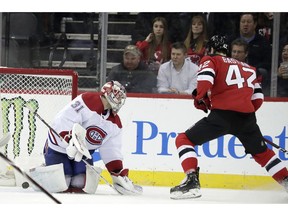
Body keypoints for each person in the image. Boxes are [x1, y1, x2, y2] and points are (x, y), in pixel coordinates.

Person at [170, 35, 288, 200]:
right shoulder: (250, 69)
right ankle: (286, 181)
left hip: (222, 116)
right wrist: (244, 116)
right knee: (263, 154)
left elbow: (205, 79)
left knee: (183, 140)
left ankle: (191, 182)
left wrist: (200, 98)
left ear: (211, 49)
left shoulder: (212, 59)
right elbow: (258, 99)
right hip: (247, 118)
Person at [32, 80, 143, 195]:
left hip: (82, 154)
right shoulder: (88, 100)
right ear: (108, 93)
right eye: (118, 95)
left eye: (121, 97)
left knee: (80, 183)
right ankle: (44, 171)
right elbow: (65, 118)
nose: (119, 100)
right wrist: (69, 139)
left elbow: (111, 150)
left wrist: (117, 172)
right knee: (62, 183)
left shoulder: (115, 123)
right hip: (59, 148)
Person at [228, 13, 272, 95]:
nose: (245, 24)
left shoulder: (263, 42)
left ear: (255, 24)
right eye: (243, 21)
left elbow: (268, 63)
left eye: (248, 22)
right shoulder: (231, 40)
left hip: (255, 75)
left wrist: (252, 70)